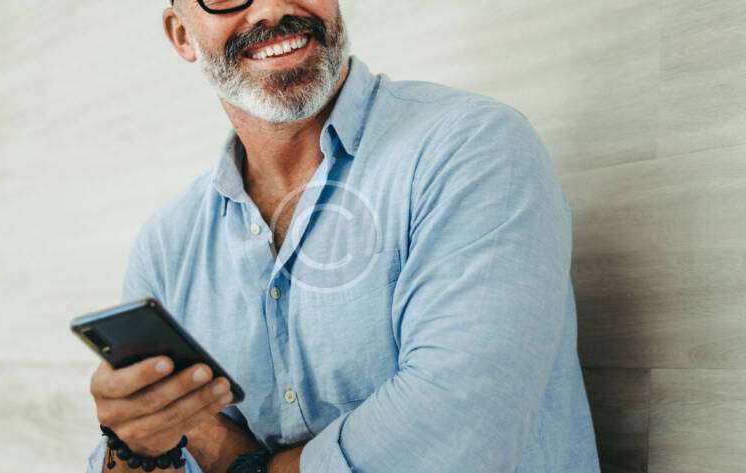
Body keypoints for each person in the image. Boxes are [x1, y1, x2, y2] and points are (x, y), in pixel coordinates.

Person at [85, 1, 601, 472]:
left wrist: (238, 461)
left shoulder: (471, 148)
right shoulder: (165, 249)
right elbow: (155, 450)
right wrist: (136, 446)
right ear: (182, 35)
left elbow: (463, 428)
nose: (270, 9)